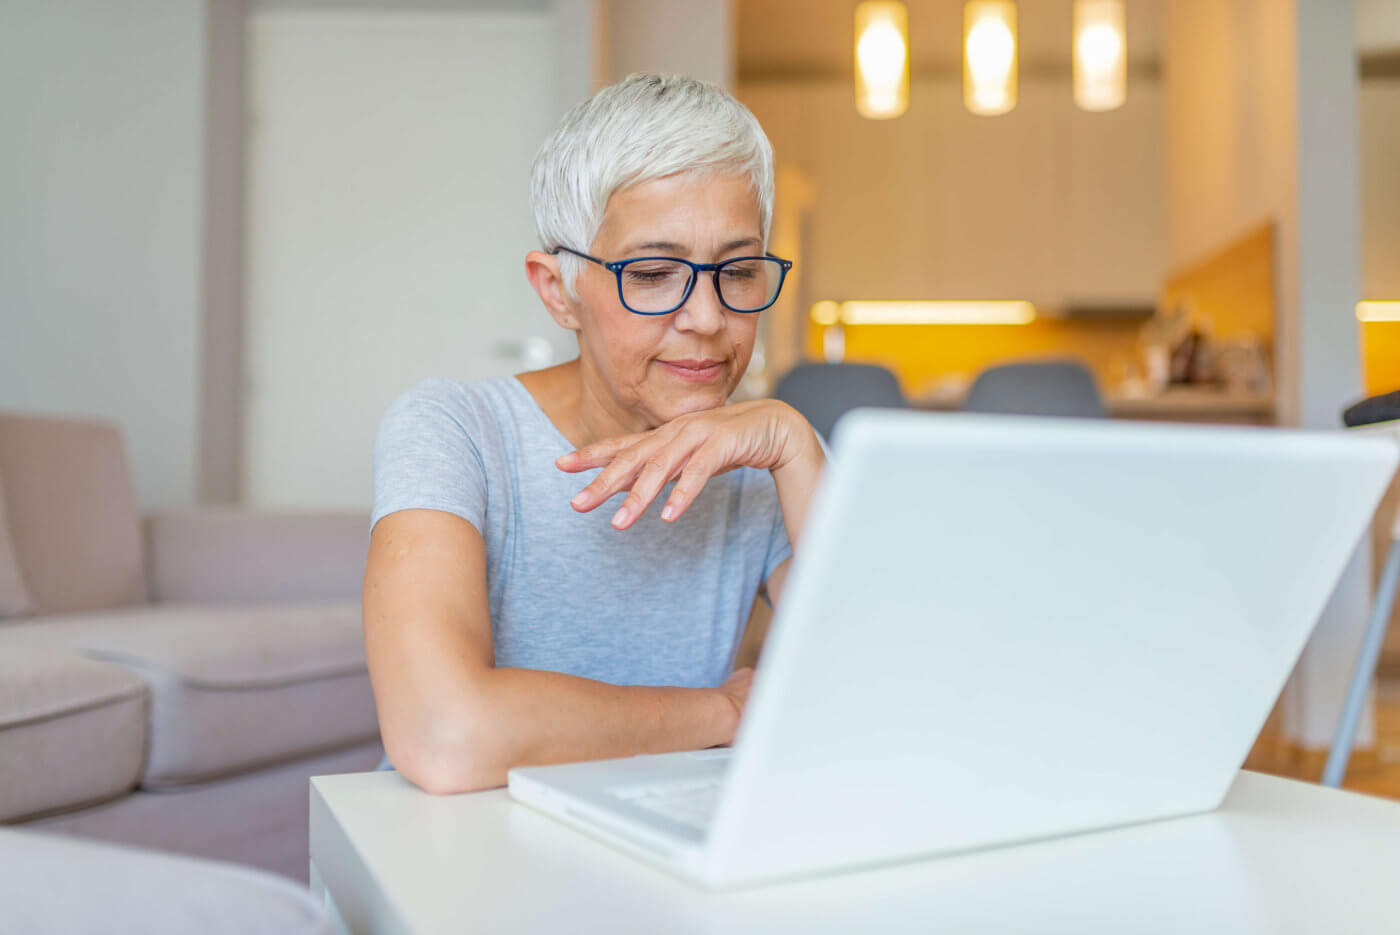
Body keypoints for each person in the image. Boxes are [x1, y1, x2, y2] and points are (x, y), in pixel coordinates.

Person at [363, 73, 825, 794]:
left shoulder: (760, 464)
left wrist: (796, 446)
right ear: (558, 290)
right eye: (652, 272)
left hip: (655, 851)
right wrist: (722, 712)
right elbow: (444, 732)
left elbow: (890, 696)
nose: (707, 317)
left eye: (737, 270)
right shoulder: (455, 431)